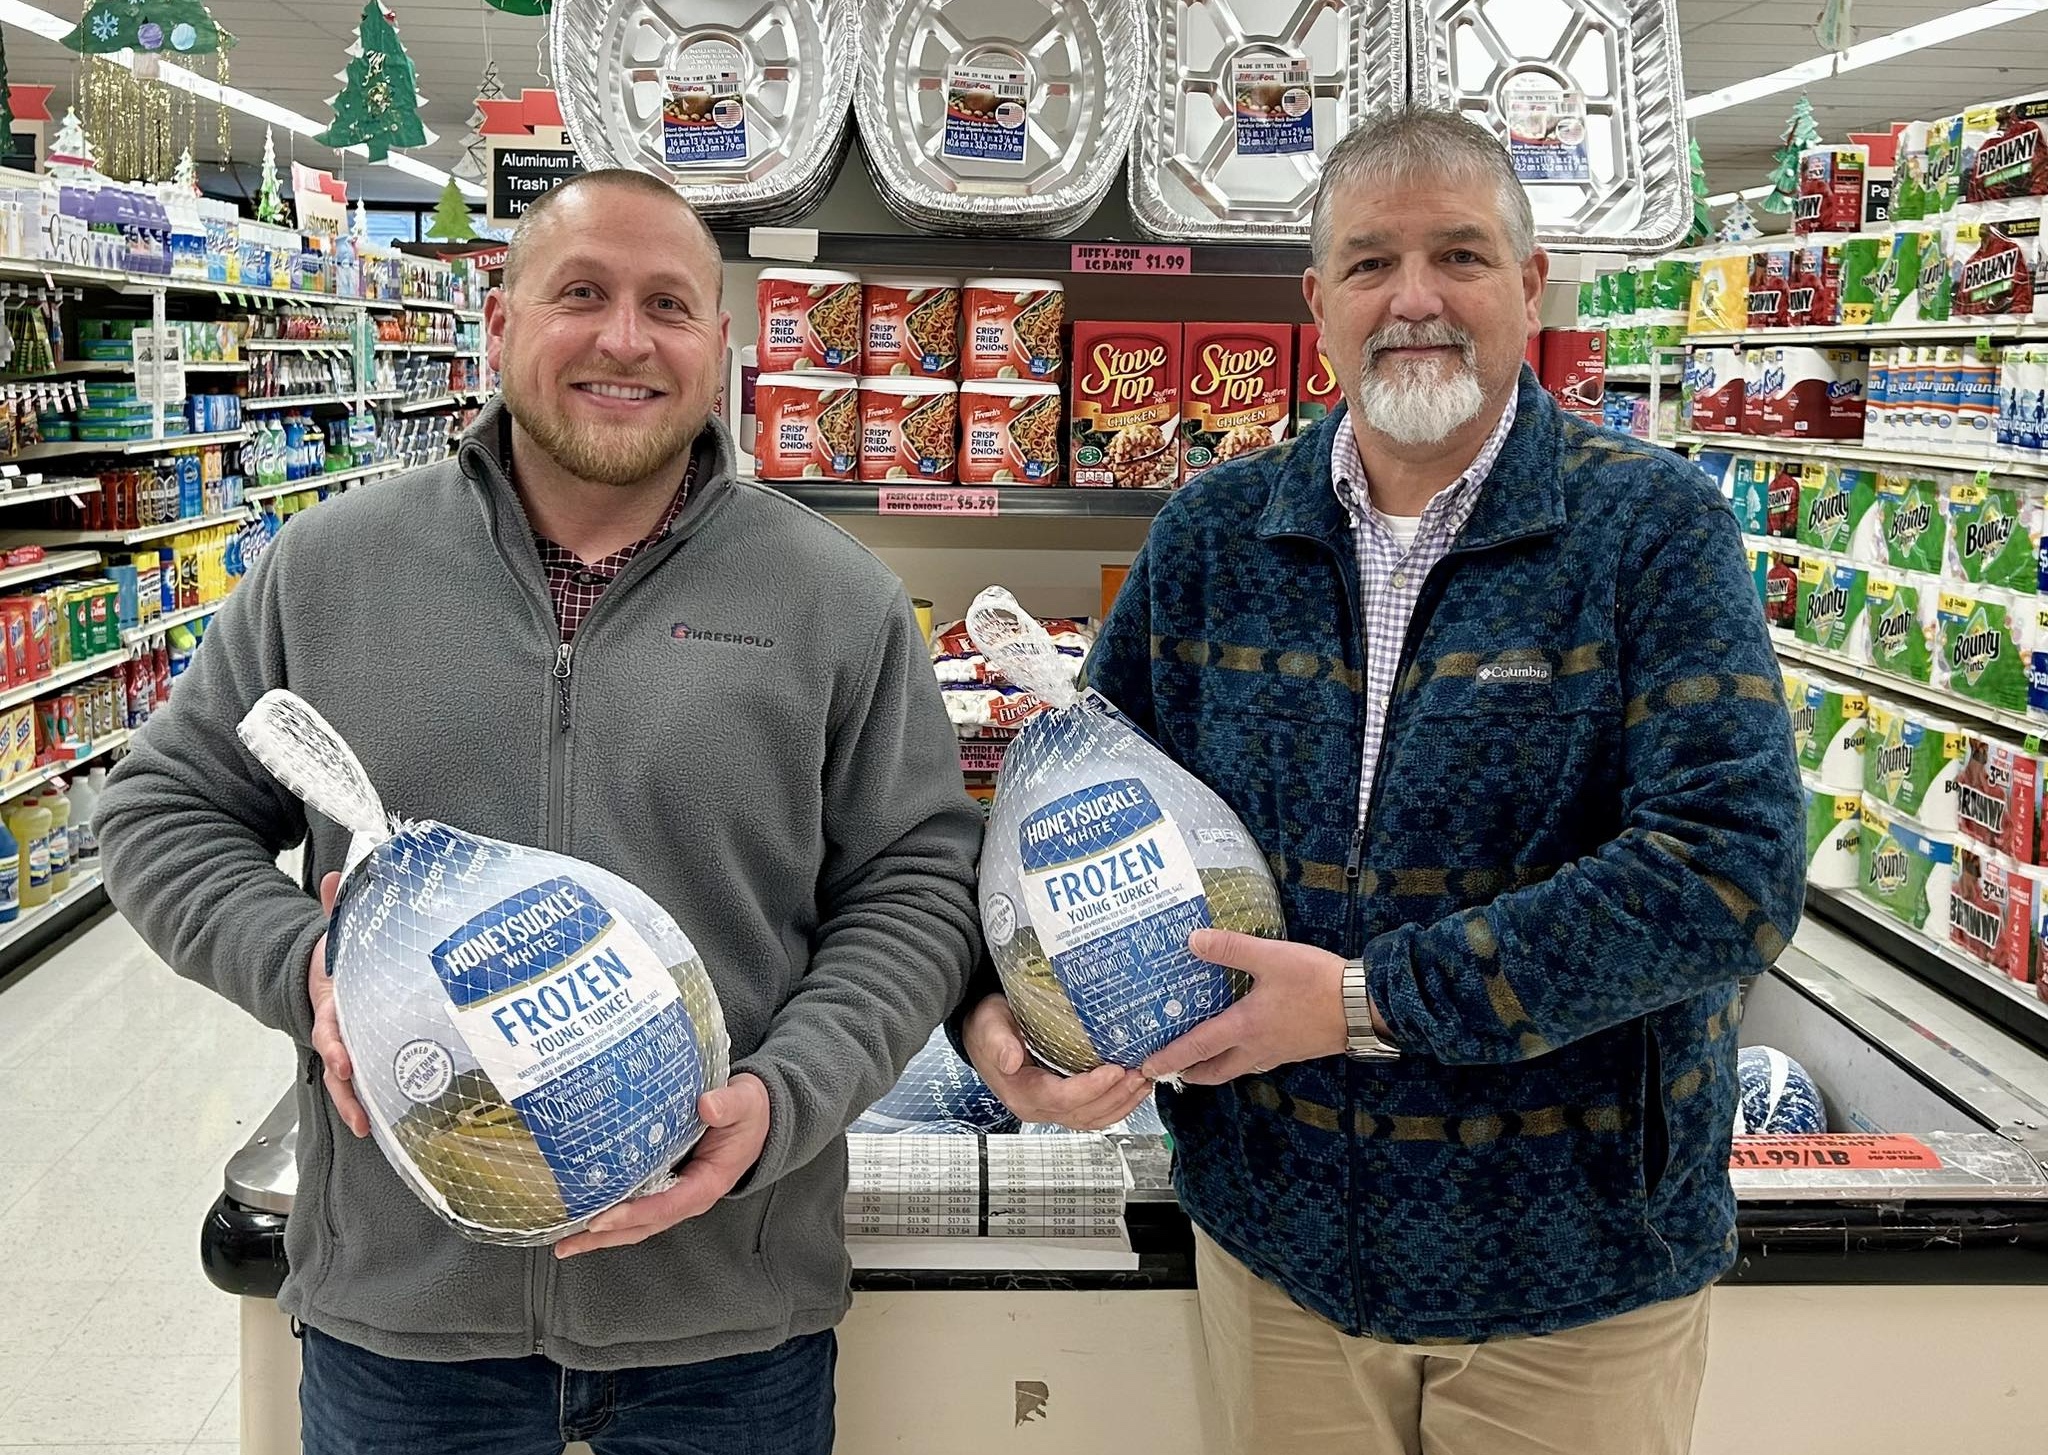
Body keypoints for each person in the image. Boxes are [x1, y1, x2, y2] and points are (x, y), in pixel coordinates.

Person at [95, 168, 983, 1454]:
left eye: (668, 305)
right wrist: (311, 975)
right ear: (500, 322)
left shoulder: (833, 599)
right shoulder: (332, 570)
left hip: (724, 1321)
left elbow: (912, 888)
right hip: (406, 1327)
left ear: (719, 348)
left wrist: (785, 1099)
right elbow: (163, 810)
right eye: (580, 294)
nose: (624, 339)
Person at [962, 107, 1804, 1455]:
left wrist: (1364, 1003)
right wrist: (991, 1010)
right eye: (1368, 264)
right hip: (1281, 1250)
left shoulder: (1652, 528)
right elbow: (1056, 815)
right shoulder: (1216, 533)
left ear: (1530, 285)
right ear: (1317, 302)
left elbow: (1729, 871)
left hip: (1573, 1274)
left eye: (1459, 255)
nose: (1413, 299)